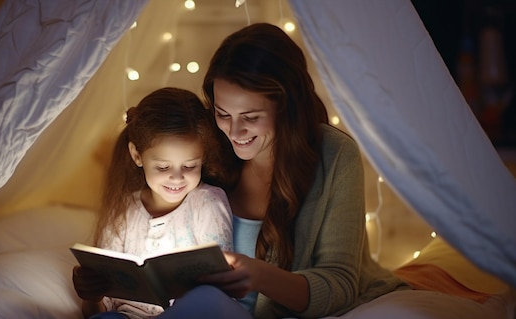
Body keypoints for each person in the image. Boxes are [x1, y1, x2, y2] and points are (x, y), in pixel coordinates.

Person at [157, 22, 410, 319]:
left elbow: (340, 284)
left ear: (286, 108)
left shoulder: (334, 155)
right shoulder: (208, 147)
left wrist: (261, 276)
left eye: (251, 117)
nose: (234, 131)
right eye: (223, 113)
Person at [72, 87, 234, 319]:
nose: (177, 178)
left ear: (203, 157)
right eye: (163, 167)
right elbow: (98, 310)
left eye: (189, 166)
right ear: (137, 156)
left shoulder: (207, 203)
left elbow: (221, 294)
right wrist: (90, 295)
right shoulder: (123, 211)